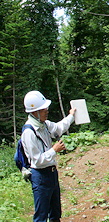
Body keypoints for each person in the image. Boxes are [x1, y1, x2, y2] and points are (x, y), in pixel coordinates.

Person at [21, 90, 77, 222]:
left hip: (51, 174)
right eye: (43, 108)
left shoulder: (44, 124)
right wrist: (54, 150)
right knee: (41, 216)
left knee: (55, 213)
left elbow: (58, 128)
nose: (47, 110)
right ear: (34, 112)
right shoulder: (29, 133)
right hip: (40, 176)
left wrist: (71, 116)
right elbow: (37, 160)